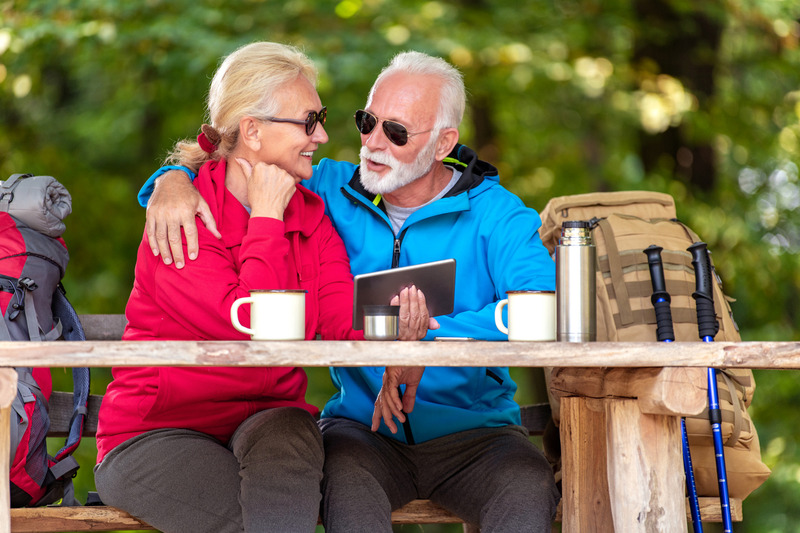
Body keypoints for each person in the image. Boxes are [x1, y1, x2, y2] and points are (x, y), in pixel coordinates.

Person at [140, 51, 560, 532]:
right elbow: (242, 162)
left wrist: (429, 340)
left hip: (477, 435)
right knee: (344, 491)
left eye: (396, 132)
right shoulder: (327, 189)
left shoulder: (498, 215)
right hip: (364, 430)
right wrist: (170, 181)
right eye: (367, 122)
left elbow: (540, 311)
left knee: (528, 489)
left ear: (444, 142)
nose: (373, 144)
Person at [94, 42, 432, 533]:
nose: (323, 134)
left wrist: (398, 333)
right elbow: (252, 331)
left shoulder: (312, 218)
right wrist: (268, 217)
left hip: (268, 424)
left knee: (292, 433)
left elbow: (340, 323)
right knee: (270, 520)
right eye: (308, 120)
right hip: (158, 433)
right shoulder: (183, 217)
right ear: (252, 130)